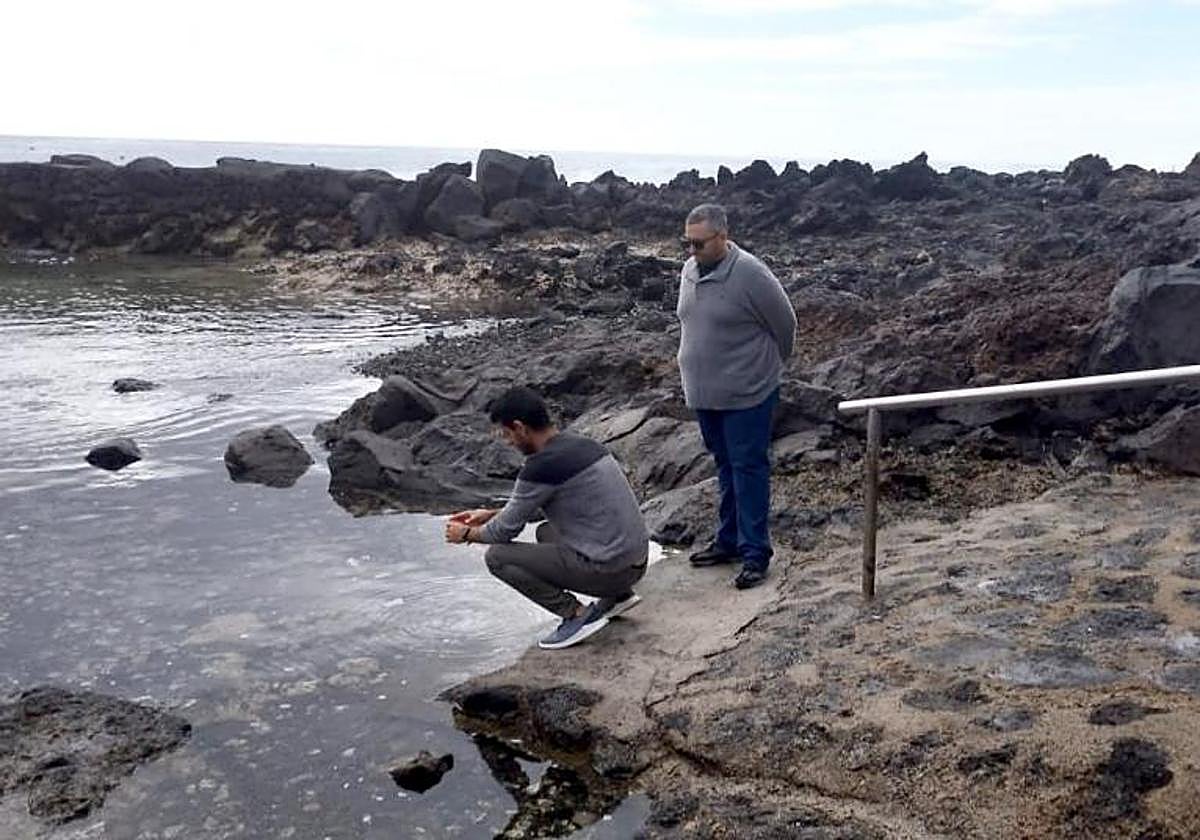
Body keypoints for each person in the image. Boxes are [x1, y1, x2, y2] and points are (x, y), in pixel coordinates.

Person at [444, 386, 650, 650]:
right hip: (634, 561)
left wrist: (464, 535)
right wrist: (489, 515)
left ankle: (576, 615)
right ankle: (618, 597)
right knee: (545, 531)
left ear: (520, 428)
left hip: (612, 571)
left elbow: (502, 533)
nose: (508, 442)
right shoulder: (582, 445)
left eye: (507, 435)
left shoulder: (541, 465)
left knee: (497, 557)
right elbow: (552, 504)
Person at [676, 203, 797, 590]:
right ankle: (727, 541)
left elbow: (786, 325)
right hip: (705, 393)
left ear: (722, 237)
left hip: (748, 393)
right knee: (725, 466)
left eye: (699, 244)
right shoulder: (689, 270)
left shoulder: (751, 274)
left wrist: (767, 368)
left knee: (748, 469)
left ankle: (755, 554)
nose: (691, 252)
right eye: (687, 243)